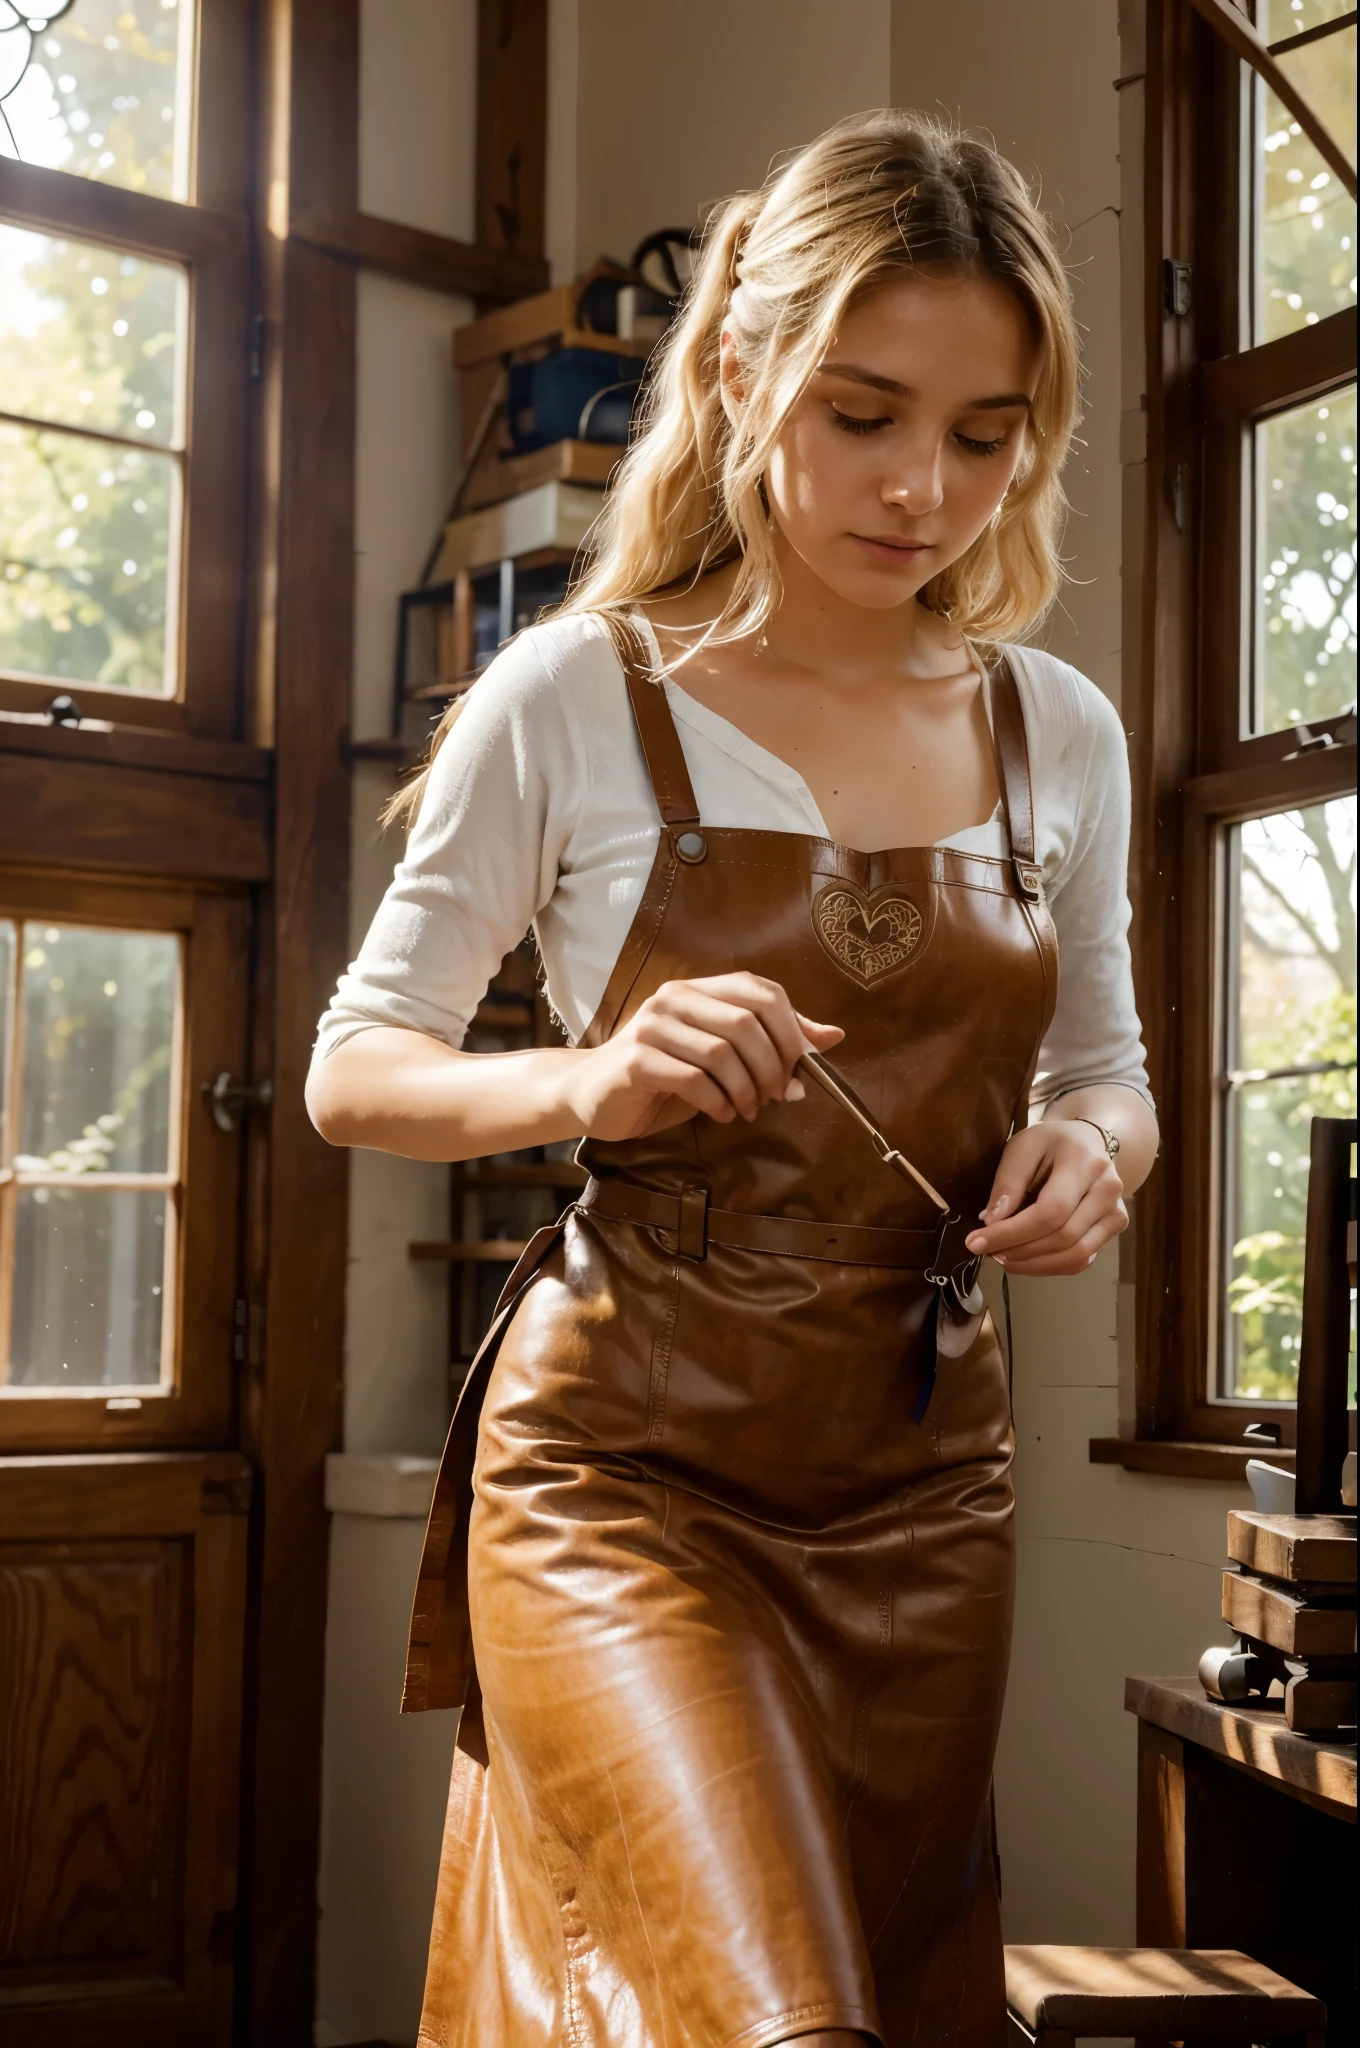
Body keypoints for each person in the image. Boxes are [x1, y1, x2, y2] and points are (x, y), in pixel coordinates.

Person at [308, 108, 1158, 2048]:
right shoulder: (575, 696)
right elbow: (353, 1073)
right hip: (625, 1476)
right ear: (737, 368)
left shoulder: (1059, 736)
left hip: (926, 1499)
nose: (918, 485)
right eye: (862, 412)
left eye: (980, 428)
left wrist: (1086, 1156)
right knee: (775, 2019)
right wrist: (590, 1077)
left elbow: (1109, 1076)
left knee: (867, 2003)